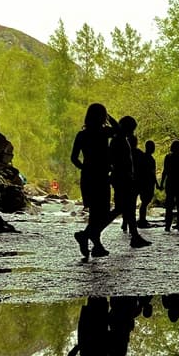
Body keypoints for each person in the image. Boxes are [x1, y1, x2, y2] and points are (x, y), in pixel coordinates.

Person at [70, 103, 118, 259]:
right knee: (103, 213)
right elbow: (119, 130)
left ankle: (96, 245)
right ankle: (86, 236)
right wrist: (109, 117)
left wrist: (85, 167)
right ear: (103, 116)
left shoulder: (82, 135)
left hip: (88, 176)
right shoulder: (104, 132)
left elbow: (74, 158)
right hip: (102, 176)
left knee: (95, 213)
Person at [108, 116, 151, 248]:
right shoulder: (119, 140)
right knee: (124, 208)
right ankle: (90, 232)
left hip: (122, 178)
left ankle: (135, 236)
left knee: (126, 208)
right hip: (123, 178)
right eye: (131, 129)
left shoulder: (120, 139)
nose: (132, 132)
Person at [160, 140, 179, 232]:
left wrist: (161, 183)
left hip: (171, 182)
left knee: (169, 205)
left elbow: (165, 171)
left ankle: (168, 225)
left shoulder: (168, 157)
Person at [135, 139, 158, 229]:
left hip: (140, 182)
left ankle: (141, 219)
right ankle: (142, 220)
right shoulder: (151, 159)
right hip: (148, 183)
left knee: (143, 202)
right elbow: (152, 173)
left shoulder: (141, 157)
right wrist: (157, 184)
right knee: (145, 202)